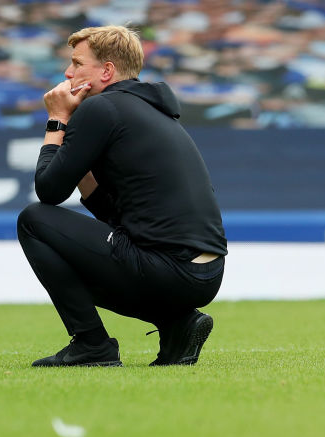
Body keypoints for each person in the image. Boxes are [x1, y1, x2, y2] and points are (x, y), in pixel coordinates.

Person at [17, 25, 227, 367]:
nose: (68, 73)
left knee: (34, 221)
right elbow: (116, 217)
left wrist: (57, 120)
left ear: (106, 71)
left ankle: (91, 344)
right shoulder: (148, 109)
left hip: (168, 270)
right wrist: (79, 157)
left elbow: (49, 192)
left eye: (76, 63)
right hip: (206, 275)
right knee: (86, 243)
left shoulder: (101, 110)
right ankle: (177, 323)